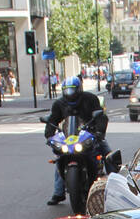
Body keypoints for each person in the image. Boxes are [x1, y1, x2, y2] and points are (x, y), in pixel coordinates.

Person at [44, 74, 108, 207]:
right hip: (69, 136)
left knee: (107, 152)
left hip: (89, 133)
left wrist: (100, 132)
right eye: (67, 90)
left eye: (72, 90)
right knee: (60, 158)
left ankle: (115, 185)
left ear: (79, 89)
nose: (70, 93)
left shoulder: (90, 99)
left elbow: (100, 116)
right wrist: (49, 135)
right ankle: (58, 192)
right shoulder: (59, 103)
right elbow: (52, 120)